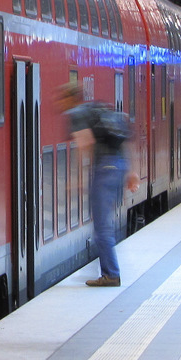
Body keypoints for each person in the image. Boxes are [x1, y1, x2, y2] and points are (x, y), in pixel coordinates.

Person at [57, 83, 139, 288]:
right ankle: (110, 272)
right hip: (118, 165)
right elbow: (125, 140)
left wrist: (77, 178)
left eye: (61, 98)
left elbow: (84, 144)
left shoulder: (77, 113)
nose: (59, 103)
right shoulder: (98, 111)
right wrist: (130, 171)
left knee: (102, 226)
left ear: (70, 99)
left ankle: (111, 274)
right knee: (105, 224)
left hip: (104, 168)